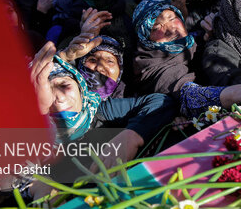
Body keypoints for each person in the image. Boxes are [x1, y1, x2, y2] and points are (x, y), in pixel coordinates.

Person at [132, 0, 241, 118]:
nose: (169, 28)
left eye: (171, 18)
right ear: (145, 38)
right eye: (156, 28)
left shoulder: (195, 43)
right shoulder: (148, 65)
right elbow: (188, 94)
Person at [30, 41, 173, 163]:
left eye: (64, 86)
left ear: (81, 89)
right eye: (46, 92)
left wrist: (133, 134)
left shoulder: (99, 110)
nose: (59, 97)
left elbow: (160, 102)